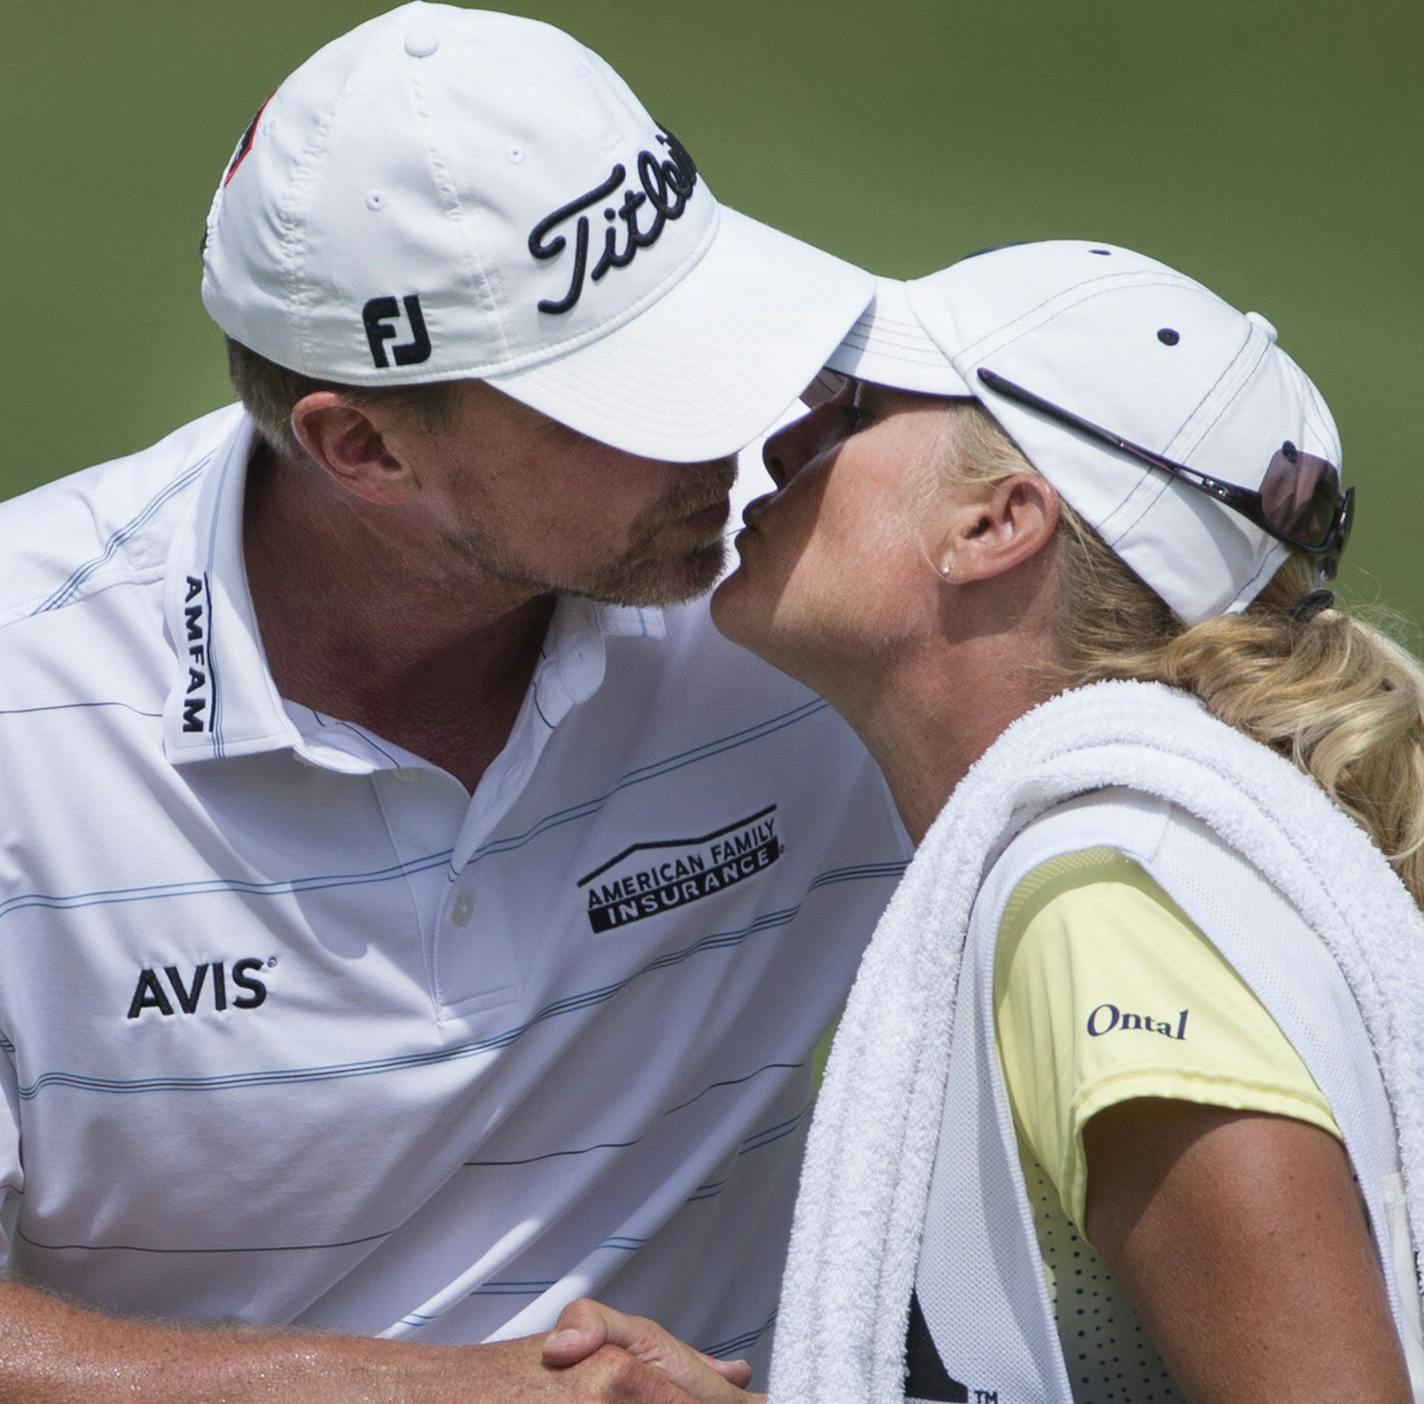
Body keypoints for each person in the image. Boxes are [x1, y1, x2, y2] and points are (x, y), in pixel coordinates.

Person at [0, 5, 913, 1399]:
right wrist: (453, 1392)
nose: (737, 431)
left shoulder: (810, 590)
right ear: (362, 447)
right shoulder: (23, 708)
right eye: (632, 396)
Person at [707, 241, 1424, 1402]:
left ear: (996, 524)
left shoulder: (1099, 903)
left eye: (851, 413)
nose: (781, 445)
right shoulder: (1129, 863)